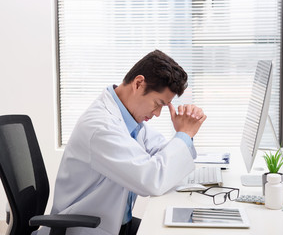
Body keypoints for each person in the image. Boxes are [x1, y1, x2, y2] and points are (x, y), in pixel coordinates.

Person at [35, 50, 206, 235]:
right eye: (157, 103)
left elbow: (160, 151)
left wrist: (185, 133)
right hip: (85, 230)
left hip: (115, 226)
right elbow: (151, 180)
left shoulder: (129, 120)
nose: (157, 113)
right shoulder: (101, 126)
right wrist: (184, 134)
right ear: (139, 83)